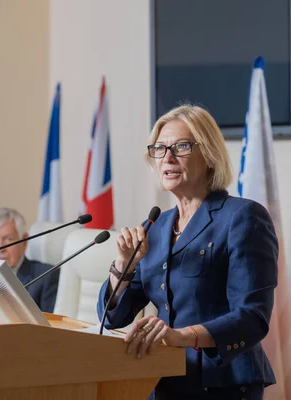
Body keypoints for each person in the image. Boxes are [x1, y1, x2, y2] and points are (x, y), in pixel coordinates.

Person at [97, 105, 278, 399]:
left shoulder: (242, 217)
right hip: (163, 380)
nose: (167, 157)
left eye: (181, 146)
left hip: (224, 384)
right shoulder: (156, 226)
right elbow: (112, 318)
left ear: (208, 155)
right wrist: (123, 265)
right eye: (159, 148)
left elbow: (252, 317)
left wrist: (180, 336)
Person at [0, 208, 59, 313]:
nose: (0, 247)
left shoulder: (47, 276)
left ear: (24, 241)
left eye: (8, 239)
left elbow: (51, 326)